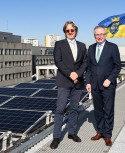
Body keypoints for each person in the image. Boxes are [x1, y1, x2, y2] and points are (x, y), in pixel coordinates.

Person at [50, 21, 87, 149]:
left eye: (72, 30)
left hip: (78, 83)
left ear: (76, 31)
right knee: (60, 109)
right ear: (65, 32)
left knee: (74, 109)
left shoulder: (82, 46)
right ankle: (56, 136)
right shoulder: (59, 44)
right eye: (68, 30)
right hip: (64, 82)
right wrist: (70, 74)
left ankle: (71, 132)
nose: (70, 32)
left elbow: (85, 63)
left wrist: (77, 74)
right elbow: (58, 61)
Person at [86, 26, 121, 146]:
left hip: (107, 86)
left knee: (108, 110)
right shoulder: (91, 48)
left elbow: (117, 66)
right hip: (95, 85)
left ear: (105, 35)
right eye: (97, 34)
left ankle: (107, 135)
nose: (99, 36)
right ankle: (100, 131)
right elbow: (88, 68)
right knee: (98, 110)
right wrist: (88, 82)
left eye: (101, 34)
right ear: (94, 36)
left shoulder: (113, 47)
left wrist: (110, 79)